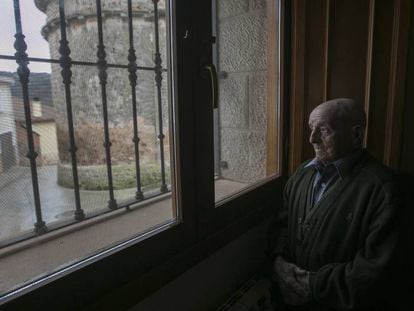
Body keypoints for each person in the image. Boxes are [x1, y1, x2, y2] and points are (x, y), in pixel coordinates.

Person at [267, 98, 401, 310]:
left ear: (356, 135)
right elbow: (282, 225)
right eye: (311, 129)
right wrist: (279, 263)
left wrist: (314, 284)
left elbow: (378, 270)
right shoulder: (301, 174)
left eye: (324, 130)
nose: (312, 139)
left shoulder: (384, 190)